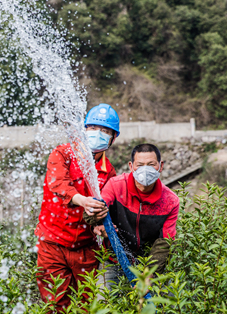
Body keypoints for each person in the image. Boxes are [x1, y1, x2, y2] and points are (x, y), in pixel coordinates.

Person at [35, 103, 120, 310]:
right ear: (83, 129)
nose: (97, 133)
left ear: (113, 138)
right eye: (92, 128)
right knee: (55, 304)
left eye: (104, 131)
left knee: (86, 305)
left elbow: (107, 210)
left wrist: (101, 225)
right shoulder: (63, 153)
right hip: (52, 244)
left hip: (86, 248)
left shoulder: (109, 173)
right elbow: (58, 184)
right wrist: (82, 200)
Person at [87, 143, 179, 290]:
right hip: (114, 259)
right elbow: (96, 208)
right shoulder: (116, 186)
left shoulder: (170, 201)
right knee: (104, 302)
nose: (145, 169)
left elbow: (164, 242)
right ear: (131, 166)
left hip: (147, 262)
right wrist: (98, 223)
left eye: (151, 164)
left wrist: (149, 275)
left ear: (160, 166)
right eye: (140, 165)